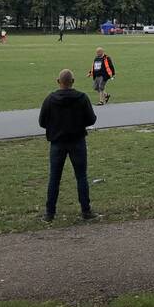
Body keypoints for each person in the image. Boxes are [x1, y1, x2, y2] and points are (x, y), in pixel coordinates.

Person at [38, 68, 99, 222]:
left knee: (54, 178)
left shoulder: (50, 99)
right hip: (77, 141)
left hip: (57, 143)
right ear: (73, 81)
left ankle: (49, 213)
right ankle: (86, 210)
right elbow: (91, 119)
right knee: (81, 177)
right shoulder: (82, 98)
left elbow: (42, 122)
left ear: (58, 82)